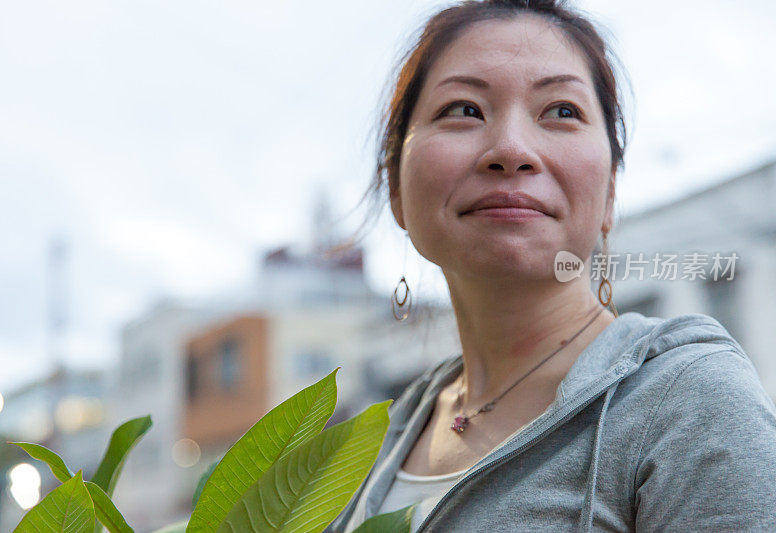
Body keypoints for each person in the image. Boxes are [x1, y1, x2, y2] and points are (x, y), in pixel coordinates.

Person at [326, 0, 776, 531]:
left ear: (610, 193)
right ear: (396, 187)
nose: (512, 149)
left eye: (562, 111)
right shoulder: (375, 441)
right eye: (464, 109)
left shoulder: (687, 399)